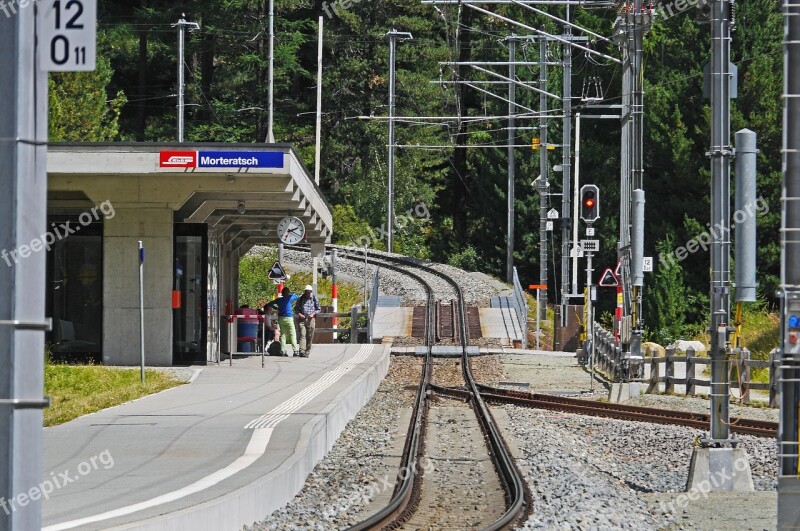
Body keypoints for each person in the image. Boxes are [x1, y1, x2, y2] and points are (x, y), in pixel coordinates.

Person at [264, 287, 300, 356]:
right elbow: (297, 296)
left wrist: (276, 308)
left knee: (283, 334)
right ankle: (295, 351)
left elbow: (270, 303)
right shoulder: (290, 298)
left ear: (282, 293)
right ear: (288, 293)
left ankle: (283, 351)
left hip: (281, 318)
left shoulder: (279, 300)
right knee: (292, 333)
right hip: (288, 317)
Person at [295, 285, 321, 358]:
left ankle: (307, 351)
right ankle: (302, 351)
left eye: (309, 292)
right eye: (306, 292)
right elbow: (296, 309)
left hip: (310, 319)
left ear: (311, 292)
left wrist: (313, 314)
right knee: (302, 335)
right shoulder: (301, 298)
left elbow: (318, 309)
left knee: (310, 336)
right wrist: (300, 314)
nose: (307, 293)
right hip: (302, 319)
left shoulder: (314, 298)